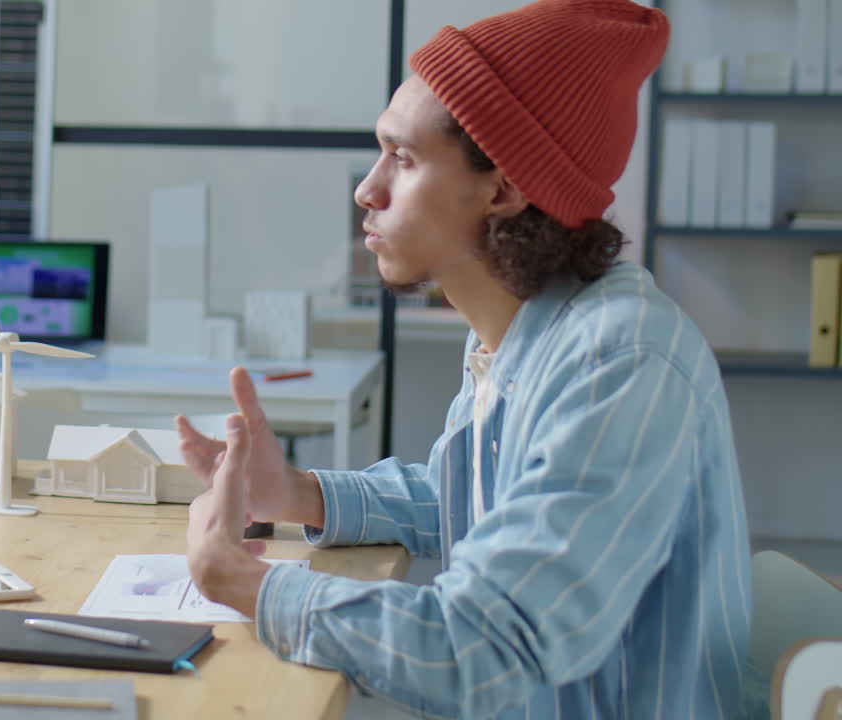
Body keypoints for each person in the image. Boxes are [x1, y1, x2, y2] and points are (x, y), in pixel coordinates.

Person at [178, 1, 751, 717]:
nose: (368, 188)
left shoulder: (620, 361)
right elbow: (497, 507)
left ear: (504, 189)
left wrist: (241, 582)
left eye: (404, 158)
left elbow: (482, 650)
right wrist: (299, 493)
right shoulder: (524, 328)